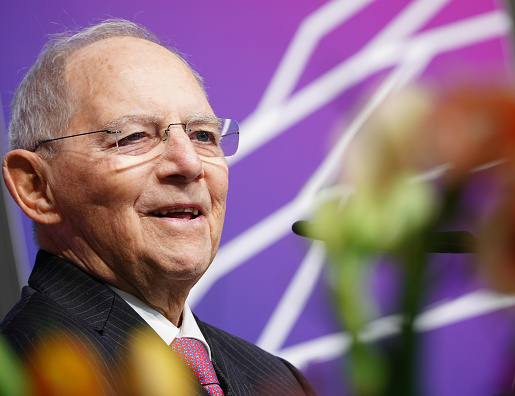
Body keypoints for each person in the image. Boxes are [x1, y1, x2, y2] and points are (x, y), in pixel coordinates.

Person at [0, 19, 316, 396]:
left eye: (203, 135)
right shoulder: (27, 372)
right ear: (36, 187)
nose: (189, 164)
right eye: (134, 136)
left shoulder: (280, 381)